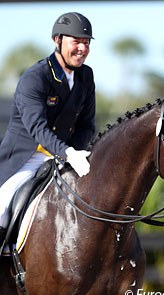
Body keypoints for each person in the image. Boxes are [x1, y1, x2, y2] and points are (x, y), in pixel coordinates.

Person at [0, 12, 96, 248]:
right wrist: (68, 153)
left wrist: (77, 151)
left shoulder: (86, 76)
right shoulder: (35, 77)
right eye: (76, 41)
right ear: (58, 40)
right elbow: (38, 128)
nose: (82, 48)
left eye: (86, 43)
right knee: (1, 208)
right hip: (26, 158)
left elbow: (87, 125)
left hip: (63, 156)